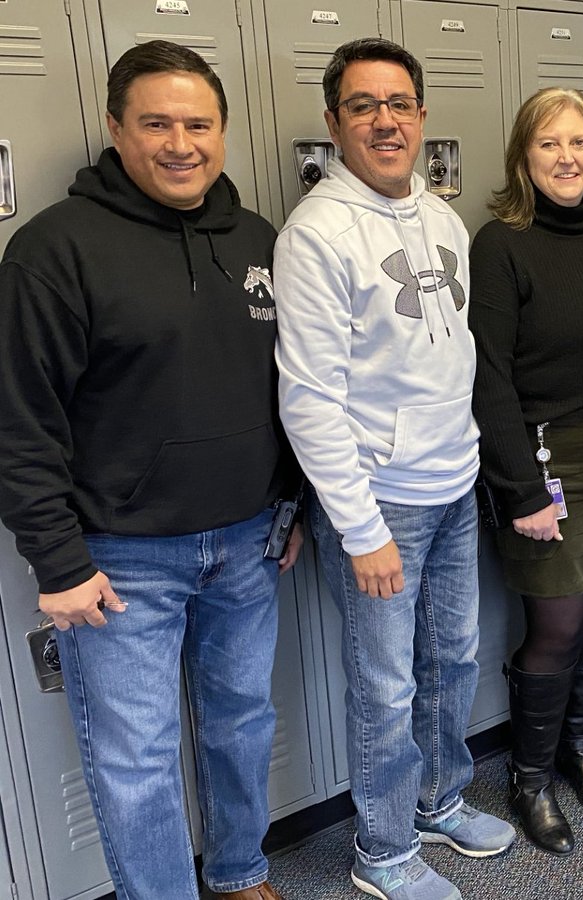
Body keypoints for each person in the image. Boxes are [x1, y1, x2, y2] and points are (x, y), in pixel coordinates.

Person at [0, 41, 300, 900]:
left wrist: (294, 503)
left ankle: (241, 874)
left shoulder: (255, 238)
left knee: (243, 725)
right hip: (121, 561)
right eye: (157, 123)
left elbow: (295, 388)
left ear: (224, 131)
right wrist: (59, 563)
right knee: (136, 761)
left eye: (198, 123)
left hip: (247, 543)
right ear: (115, 129)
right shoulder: (54, 250)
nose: (180, 143)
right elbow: (20, 418)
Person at [273, 37, 514, 900]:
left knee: (453, 659)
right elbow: (309, 399)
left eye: (400, 104)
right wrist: (361, 526)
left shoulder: (438, 215)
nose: (385, 120)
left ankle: (438, 799)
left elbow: (452, 360)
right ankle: (380, 850)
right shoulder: (317, 234)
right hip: (382, 502)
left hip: (453, 486)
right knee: (384, 682)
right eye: (364, 106)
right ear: (335, 122)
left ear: (420, 116)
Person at [469, 87, 583, 856]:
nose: (567, 158)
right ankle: (531, 776)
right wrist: (519, 489)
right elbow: (488, 377)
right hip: (545, 454)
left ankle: (581, 749)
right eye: (549, 144)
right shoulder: (500, 243)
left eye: (580, 143)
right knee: (556, 622)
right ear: (523, 156)